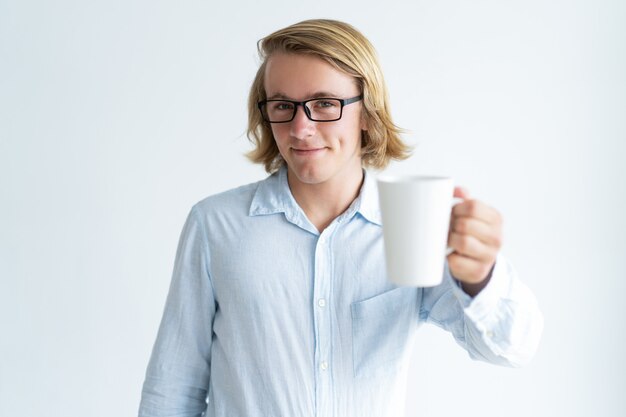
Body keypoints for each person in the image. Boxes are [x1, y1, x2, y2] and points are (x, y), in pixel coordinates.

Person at [139, 19, 543, 417]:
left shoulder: (411, 226)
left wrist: (480, 276)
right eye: (283, 106)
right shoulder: (215, 226)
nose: (301, 128)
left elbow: (509, 349)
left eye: (325, 104)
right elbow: (172, 390)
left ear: (367, 113)